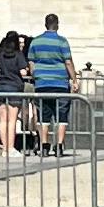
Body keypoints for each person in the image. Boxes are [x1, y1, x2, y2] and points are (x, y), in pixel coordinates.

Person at [28, 12, 76, 143]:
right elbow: (68, 62)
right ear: (57, 25)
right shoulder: (62, 41)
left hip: (42, 83)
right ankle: (59, 144)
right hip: (60, 83)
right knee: (62, 116)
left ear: (45, 24)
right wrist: (74, 79)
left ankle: (44, 143)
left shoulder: (35, 41)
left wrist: (35, 74)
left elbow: (31, 61)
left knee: (43, 116)